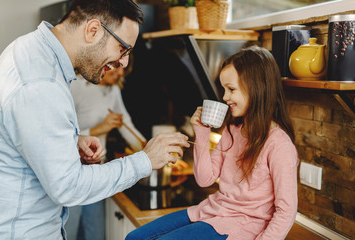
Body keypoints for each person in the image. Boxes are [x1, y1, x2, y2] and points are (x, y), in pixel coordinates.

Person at [0, 0, 189, 239]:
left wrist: (70, 139)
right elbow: (68, 186)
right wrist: (145, 160)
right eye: (122, 49)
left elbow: (23, 129)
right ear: (93, 30)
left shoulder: (29, 50)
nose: (124, 62)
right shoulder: (40, 82)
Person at [125, 46, 299, 240]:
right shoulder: (233, 130)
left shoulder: (279, 144)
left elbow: (286, 211)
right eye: (224, 89)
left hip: (241, 225)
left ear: (257, 87)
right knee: (134, 238)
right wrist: (201, 131)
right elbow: (205, 179)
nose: (225, 97)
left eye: (231, 89)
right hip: (210, 211)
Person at [66, 62, 147, 240]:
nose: (120, 74)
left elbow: (126, 124)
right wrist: (100, 128)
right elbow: (62, 134)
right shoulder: (77, 86)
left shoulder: (113, 91)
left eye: (124, 70)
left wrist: (146, 148)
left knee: (95, 233)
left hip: (96, 170)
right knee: (69, 232)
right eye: (117, 67)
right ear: (105, 63)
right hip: (72, 170)